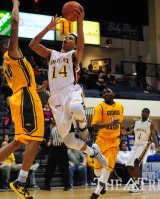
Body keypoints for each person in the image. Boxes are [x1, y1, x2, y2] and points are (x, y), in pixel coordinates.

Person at [0, 1, 48, 198]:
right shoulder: (12, 53)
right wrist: (16, 4)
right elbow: (15, 23)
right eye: (12, 42)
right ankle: (21, 181)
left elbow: (20, 82)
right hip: (25, 98)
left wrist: (37, 88)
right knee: (36, 138)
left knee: (19, 141)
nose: (16, 43)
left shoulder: (9, 63)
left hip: (23, 95)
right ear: (7, 46)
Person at [29, 3, 107, 175]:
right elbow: (32, 45)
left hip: (71, 91)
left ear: (74, 44)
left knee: (77, 107)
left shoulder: (73, 56)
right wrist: (47, 28)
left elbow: (81, 47)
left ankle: (82, 126)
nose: (66, 39)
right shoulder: (52, 54)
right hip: (55, 98)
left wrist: (80, 23)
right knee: (70, 141)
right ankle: (94, 152)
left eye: (70, 38)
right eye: (66, 38)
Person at [89, 88, 124, 199]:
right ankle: (102, 184)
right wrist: (110, 123)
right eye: (104, 93)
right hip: (101, 140)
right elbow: (94, 125)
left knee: (107, 168)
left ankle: (96, 193)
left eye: (108, 91)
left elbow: (118, 123)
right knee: (97, 170)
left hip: (114, 141)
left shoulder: (120, 107)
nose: (106, 94)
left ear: (113, 93)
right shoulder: (99, 107)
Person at [125, 108, 159, 193]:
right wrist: (125, 133)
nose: (144, 113)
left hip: (144, 145)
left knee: (136, 162)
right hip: (135, 145)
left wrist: (157, 146)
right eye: (143, 112)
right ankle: (137, 181)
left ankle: (137, 185)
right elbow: (133, 132)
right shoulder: (136, 122)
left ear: (148, 114)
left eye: (146, 112)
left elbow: (153, 135)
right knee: (128, 165)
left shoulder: (150, 123)